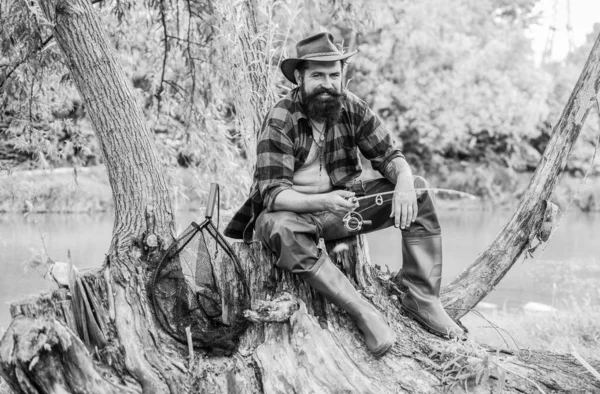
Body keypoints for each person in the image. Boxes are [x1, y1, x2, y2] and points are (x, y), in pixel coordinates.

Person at [225, 32, 464, 357]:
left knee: (418, 194)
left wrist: (405, 177)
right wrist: (323, 201)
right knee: (281, 228)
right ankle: (363, 312)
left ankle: (422, 298)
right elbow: (273, 195)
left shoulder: (351, 107)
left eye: (334, 75)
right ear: (299, 77)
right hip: (291, 215)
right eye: (318, 75)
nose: (327, 83)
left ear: (342, 76)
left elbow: (388, 154)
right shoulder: (281, 118)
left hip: (343, 210)